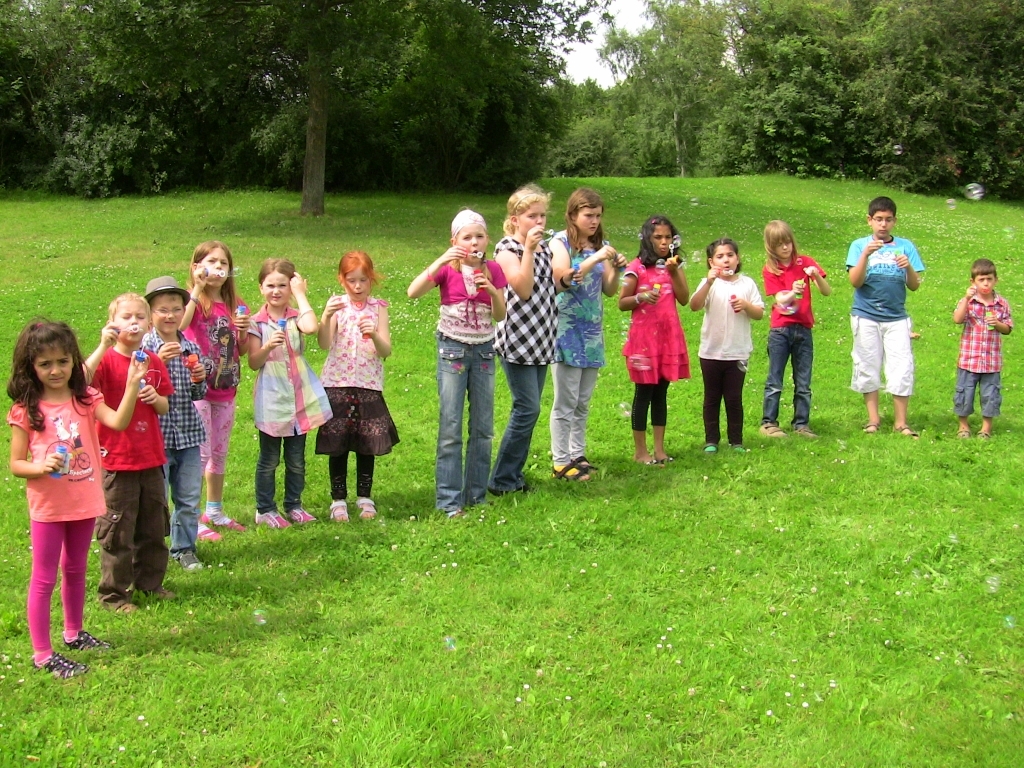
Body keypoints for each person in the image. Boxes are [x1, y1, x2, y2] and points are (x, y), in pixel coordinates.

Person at [7, 321, 144, 677]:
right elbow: (16, 464)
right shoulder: (27, 409)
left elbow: (117, 421)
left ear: (73, 361)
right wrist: (40, 466)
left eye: (63, 361)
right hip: (49, 507)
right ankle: (42, 654)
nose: (56, 370)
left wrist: (131, 386)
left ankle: (73, 633)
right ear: (31, 367)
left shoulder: (85, 399)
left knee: (76, 568)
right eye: (45, 364)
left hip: (84, 500)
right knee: (44, 577)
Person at [407, 212, 506, 517]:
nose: (473, 242)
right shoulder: (447, 270)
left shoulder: (493, 269)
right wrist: (440, 259)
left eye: (479, 236)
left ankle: (475, 496)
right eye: (466, 237)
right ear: (454, 242)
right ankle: (450, 501)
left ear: (487, 240)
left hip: (485, 352)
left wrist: (490, 290)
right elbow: (413, 291)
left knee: (483, 427)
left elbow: (500, 315)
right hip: (452, 349)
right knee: (450, 426)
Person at [85, 293, 175, 612]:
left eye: (139, 317)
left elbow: (165, 405)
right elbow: (78, 381)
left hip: (150, 458)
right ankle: (114, 594)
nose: (133, 322)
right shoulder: (106, 361)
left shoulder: (153, 360)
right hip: (116, 460)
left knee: (153, 528)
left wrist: (154, 397)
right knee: (118, 531)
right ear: (112, 322)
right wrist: (101, 346)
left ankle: (150, 584)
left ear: (149, 324)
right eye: (126, 317)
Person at [489, 184, 566, 495]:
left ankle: (513, 476)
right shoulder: (507, 249)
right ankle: (502, 480)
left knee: (529, 409)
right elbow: (521, 289)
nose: (539, 222)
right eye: (531, 216)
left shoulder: (546, 248)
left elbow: (550, 289)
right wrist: (530, 250)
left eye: (543, 216)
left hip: (542, 336)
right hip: (517, 339)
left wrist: (570, 278)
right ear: (515, 218)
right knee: (527, 408)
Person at [247, 259, 332, 527]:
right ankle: (265, 508)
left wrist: (300, 294)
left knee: (296, 459)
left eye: (282, 285)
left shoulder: (296, 317)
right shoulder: (256, 323)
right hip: (272, 399)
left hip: (299, 398)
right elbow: (253, 362)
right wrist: (267, 346)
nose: (276, 291)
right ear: (261, 288)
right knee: (269, 459)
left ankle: (294, 504)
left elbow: (311, 327)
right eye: (270, 285)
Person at [548, 188, 626, 480]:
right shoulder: (559, 243)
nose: (594, 221)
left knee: (582, 400)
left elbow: (608, 289)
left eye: (598, 216)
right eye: (588, 215)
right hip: (566, 330)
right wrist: (595, 259)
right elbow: (563, 277)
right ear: (572, 215)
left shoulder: (601, 244)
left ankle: (577, 454)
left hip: (592, 331)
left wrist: (615, 269)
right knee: (565, 401)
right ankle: (560, 460)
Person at [317, 251, 399, 522]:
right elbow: (324, 344)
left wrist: (374, 333)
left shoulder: (379, 308)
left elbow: (385, 350)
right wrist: (326, 318)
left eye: (363, 280)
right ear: (342, 279)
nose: (358, 287)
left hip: (368, 384)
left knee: (367, 443)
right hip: (337, 382)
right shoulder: (337, 305)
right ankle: (338, 499)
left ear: (371, 279)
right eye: (351, 280)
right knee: (338, 443)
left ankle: (365, 496)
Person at [180, 240, 250, 537]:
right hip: (198, 390)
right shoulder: (190, 300)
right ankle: (191, 518)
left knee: (219, 454)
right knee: (201, 454)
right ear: (196, 267)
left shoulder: (234, 304)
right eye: (211, 262)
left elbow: (241, 351)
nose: (218, 268)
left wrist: (244, 329)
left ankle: (215, 510)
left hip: (226, 389)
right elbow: (179, 326)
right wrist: (196, 289)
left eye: (223, 263)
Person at [142, 276, 208, 570]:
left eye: (176, 309)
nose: (170, 316)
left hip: (189, 434)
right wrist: (157, 361)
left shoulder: (189, 345)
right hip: (157, 436)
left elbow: (198, 393)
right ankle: (153, 551)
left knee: (189, 497)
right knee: (157, 499)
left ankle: (184, 549)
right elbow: (137, 389)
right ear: (150, 314)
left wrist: (200, 379)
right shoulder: (144, 347)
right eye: (162, 310)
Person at [846, 196, 925, 437]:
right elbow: (855, 281)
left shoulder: (905, 246)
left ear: (895, 221)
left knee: (901, 367)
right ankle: (873, 420)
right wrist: (865, 256)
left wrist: (908, 266)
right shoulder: (859, 245)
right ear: (869, 220)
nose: (883, 224)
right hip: (866, 315)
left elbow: (914, 285)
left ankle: (901, 422)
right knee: (868, 365)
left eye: (888, 220)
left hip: (896, 317)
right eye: (878, 219)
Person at [618, 215, 690, 464]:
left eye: (668, 237)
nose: (663, 242)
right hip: (644, 340)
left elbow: (684, 298)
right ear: (647, 239)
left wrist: (674, 272)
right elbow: (622, 302)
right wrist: (640, 297)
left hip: (667, 338)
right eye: (658, 237)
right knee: (644, 392)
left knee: (661, 393)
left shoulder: (674, 266)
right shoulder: (636, 267)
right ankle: (641, 451)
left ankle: (659, 450)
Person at [689, 238, 764, 452]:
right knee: (711, 397)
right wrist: (708, 282)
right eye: (720, 257)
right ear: (711, 262)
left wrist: (747, 306)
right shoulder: (709, 284)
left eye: (730, 255)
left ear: (737, 259)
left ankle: (736, 441)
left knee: (733, 398)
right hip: (710, 352)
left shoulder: (747, 283)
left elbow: (759, 313)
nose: (726, 260)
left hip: (738, 352)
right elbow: (694, 305)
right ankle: (711, 440)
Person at [759, 220, 831, 439]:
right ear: (771, 246)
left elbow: (826, 291)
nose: (785, 247)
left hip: (804, 329)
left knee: (803, 381)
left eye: (788, 242)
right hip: (781, 330)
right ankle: (769, 422)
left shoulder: (805, 262)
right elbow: (780, 300)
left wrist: (815, 275)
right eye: (779, 244)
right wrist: (792, 290)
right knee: (775, 379)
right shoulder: (771, 270)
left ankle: (802, 424)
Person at [952, 258, 1013, 438]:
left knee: (990, 395)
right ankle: (963, 426)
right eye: (981, 279)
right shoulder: (969, 302)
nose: (985, 283)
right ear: (973, 282)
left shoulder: (1002, 304)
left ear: (996, 280)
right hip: (969, 360)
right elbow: (957, 319)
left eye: (989, 279)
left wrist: (998, 324)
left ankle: (986, 428)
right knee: (964, 393)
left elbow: (1008, 328)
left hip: (991, 361)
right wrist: (966, 298)